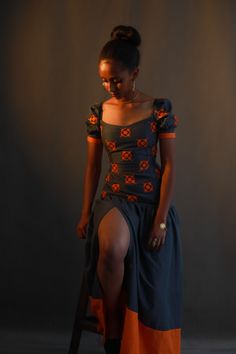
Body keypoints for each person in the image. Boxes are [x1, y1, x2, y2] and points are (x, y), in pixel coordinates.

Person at [77, 25, 183, 354]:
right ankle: (113, 326)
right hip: (115, 198)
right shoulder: (99, 112)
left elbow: (168, 167)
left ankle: (137, 339)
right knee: (110, 250)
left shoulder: (158, 109)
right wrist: (85, 212)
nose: (111, 86)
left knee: (143, 260)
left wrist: (162, 220)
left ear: (134, 73)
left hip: (151, 202)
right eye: (105, 81)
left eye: (117, 80)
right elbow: (93, 167)